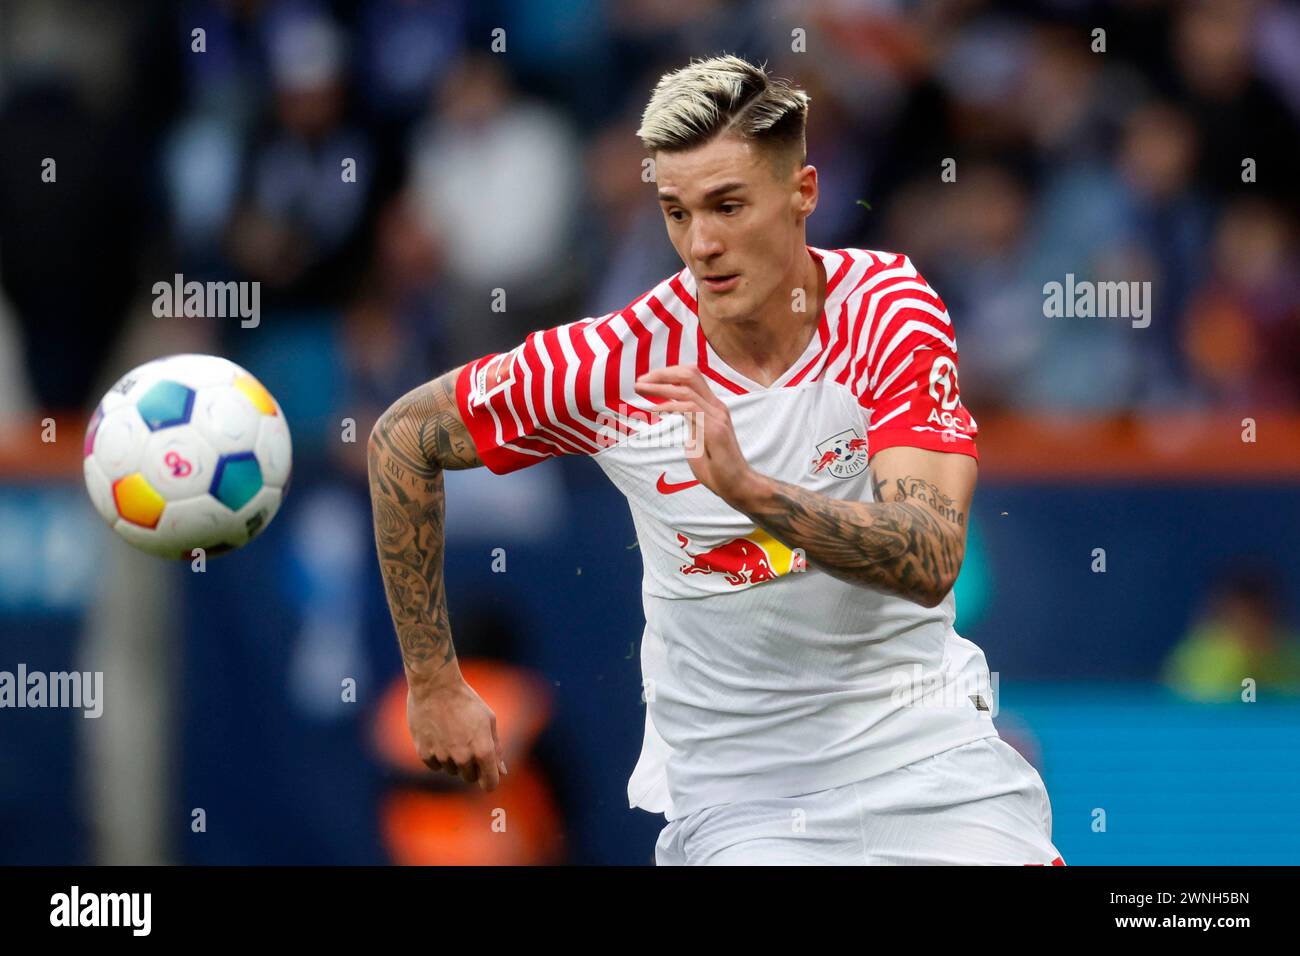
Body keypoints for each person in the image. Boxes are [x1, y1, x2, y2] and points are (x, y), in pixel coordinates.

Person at [367, 55, 1062, 865]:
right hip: (744, 804)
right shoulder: (616, 363)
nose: (702, 244)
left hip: (930, 762)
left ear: (803, 193)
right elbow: (402, 439)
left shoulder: (885, 312)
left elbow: (932, 552)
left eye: (729, 205)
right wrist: (433, 681)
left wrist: (747, 489)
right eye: (677, 211)